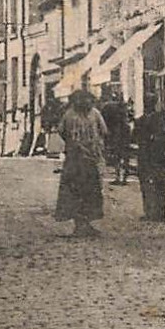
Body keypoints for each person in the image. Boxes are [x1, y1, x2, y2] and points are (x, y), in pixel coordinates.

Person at [55, 89, 108, 237]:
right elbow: (104, 131)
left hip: (76, 158)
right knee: (84, 191)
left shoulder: (69, 114)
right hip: (84, 158)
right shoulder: (94, 114)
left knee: (78, 191)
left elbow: (61, 131)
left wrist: (72, 143)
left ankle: (82, 223)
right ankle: (82, 224)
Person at [133, 95, 165, 222]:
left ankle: (153, 211)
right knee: (157, 184)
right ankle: (157, 212)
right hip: (155, 156)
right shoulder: (162, 119)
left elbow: (134, 137)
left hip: (148, 156)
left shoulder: (140, 121)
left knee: (149, 184)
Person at [100, 94, 132, 185]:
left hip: (116, 135)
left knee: (117, 157)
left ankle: (119, 176)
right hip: (124, 135)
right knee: (125, 156)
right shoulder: (124, 117)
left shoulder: (109, 107)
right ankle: (124, 177)